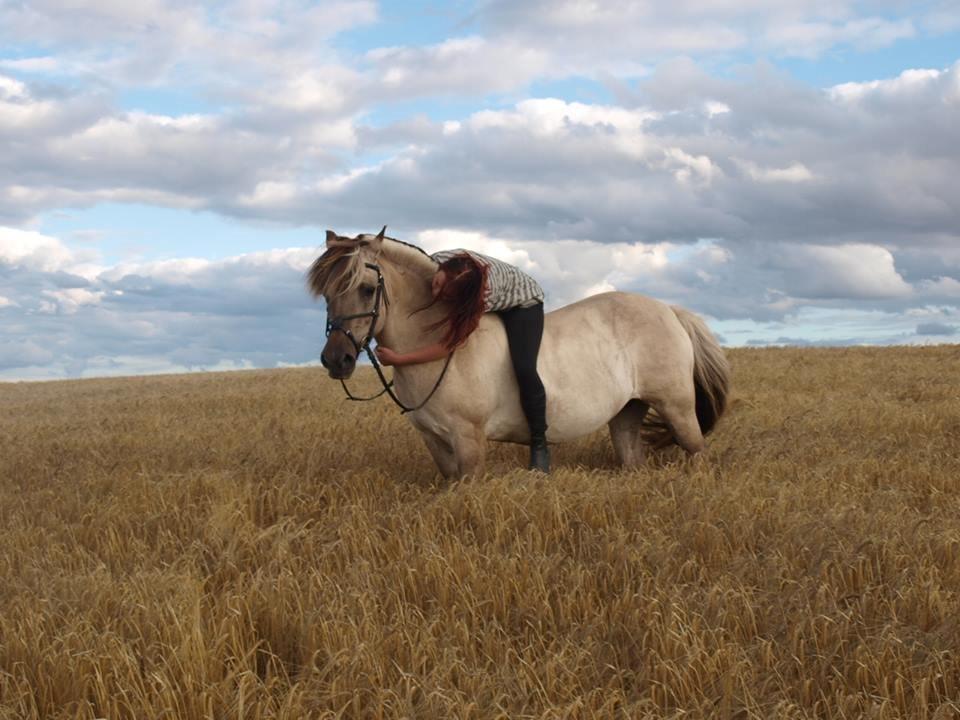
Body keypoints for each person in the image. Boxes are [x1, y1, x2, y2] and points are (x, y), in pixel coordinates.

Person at [375, 249, 550, 473]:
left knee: (525, 368)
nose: (436, 292)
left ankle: (539, 441)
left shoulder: (480, 297)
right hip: (477, 287)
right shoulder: (436, 260)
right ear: (442, 268)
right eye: (437, 283)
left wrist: (399, 358)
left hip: (522, 304)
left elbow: (448, 346)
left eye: (447, 296)